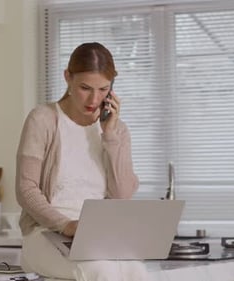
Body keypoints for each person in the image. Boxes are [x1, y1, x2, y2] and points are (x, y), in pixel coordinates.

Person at [15, 42, 148, 281]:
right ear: (68, 77)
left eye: (103, 89)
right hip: (46, 233)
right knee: (101, 270)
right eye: (85, 87)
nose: (94, 99)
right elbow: (26, 190)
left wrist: (110, 135)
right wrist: (66, 225)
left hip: (99, 237)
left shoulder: (118, 131)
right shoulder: (43, 120)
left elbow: (122, 196)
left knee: (137, 271)